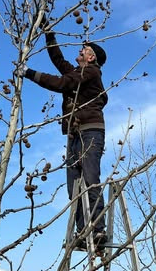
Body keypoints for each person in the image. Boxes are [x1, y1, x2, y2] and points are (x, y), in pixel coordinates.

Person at [20, 24, 108, 248]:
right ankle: (82, 231)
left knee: (90, 179)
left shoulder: (91, 72)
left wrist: (30, 73)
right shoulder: (78, 72)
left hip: (90, 131)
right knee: (74, 186)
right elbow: (59, 61)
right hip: (74, 134)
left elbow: (62, 83)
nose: (79, 50)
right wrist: (49, 34)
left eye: (84, 49)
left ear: (91, 57)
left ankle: (98, 229)